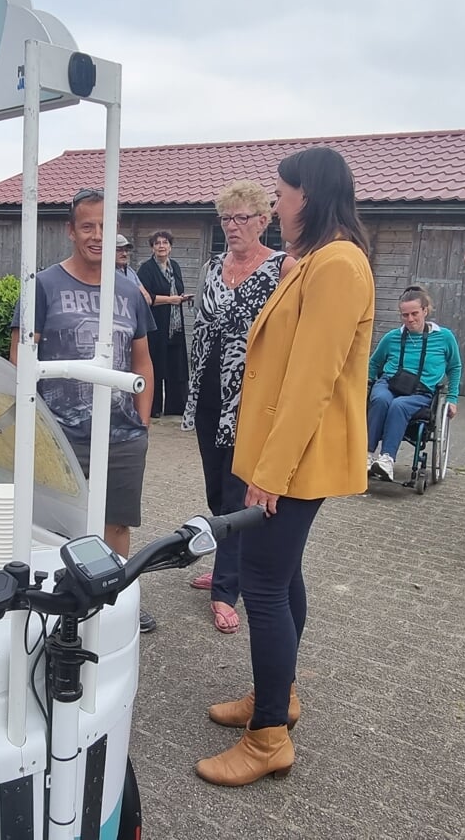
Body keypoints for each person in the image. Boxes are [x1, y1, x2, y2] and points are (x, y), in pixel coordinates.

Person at [196, 148, 374, 786]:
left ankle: (269, 734)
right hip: (284, 454)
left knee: (266, 587)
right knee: (283, 573)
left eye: (281, 194)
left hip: (295, 460)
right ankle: (282, 693)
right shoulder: (317, 263)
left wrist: (268, 472)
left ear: (310, 195)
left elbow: (310, 381)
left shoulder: (338, 266)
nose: (276, 206)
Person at [10, 190, 159, 633]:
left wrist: (144, 421)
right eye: (88, 226)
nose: (97, 236)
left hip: (121, 433)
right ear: (71, 231)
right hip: (59, 432)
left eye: (105, 227)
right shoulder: (42, 286)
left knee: (115, 522)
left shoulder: (130, 292)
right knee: (56, 522)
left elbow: (143, 361)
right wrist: (33, 419)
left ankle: (115, 603)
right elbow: (21, 356)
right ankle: (58, 603)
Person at [181, 180, 296, 633]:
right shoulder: (213, 266)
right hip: (209, 389)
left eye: (241, 218)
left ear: (263, 221)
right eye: (226, 218)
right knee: (216, 486)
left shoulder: (284, 268)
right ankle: (234, 563)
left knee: (236, 489)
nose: (232, 226)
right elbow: (204, 326)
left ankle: (227, 588)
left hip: (251, 395)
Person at [366, 285, 463, 482]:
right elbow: (374, 363)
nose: (410, 319)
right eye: (405, 315)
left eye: (414, 314)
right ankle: (365, 455)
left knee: (399, 405)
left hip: (421, 391)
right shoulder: (392, 337)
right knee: (380, 399)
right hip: (389, 383)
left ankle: (387, 460)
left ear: (425, 311)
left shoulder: (444, 337)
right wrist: (366, 383)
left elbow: (455, 367)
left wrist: (452, 398)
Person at [136, 230, 192, 417]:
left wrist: (181, 298)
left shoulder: (174, 266)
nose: (161, 246)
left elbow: (176, 290)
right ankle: (154, 408)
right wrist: (170, 300)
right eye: (157, 243)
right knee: (157, 364)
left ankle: (176, 407)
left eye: (165, 242)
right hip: (157, 325)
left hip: (175, 324)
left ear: (170, 246)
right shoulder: (146, 269)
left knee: (176, 366)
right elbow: (147, 298)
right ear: (152, 247)